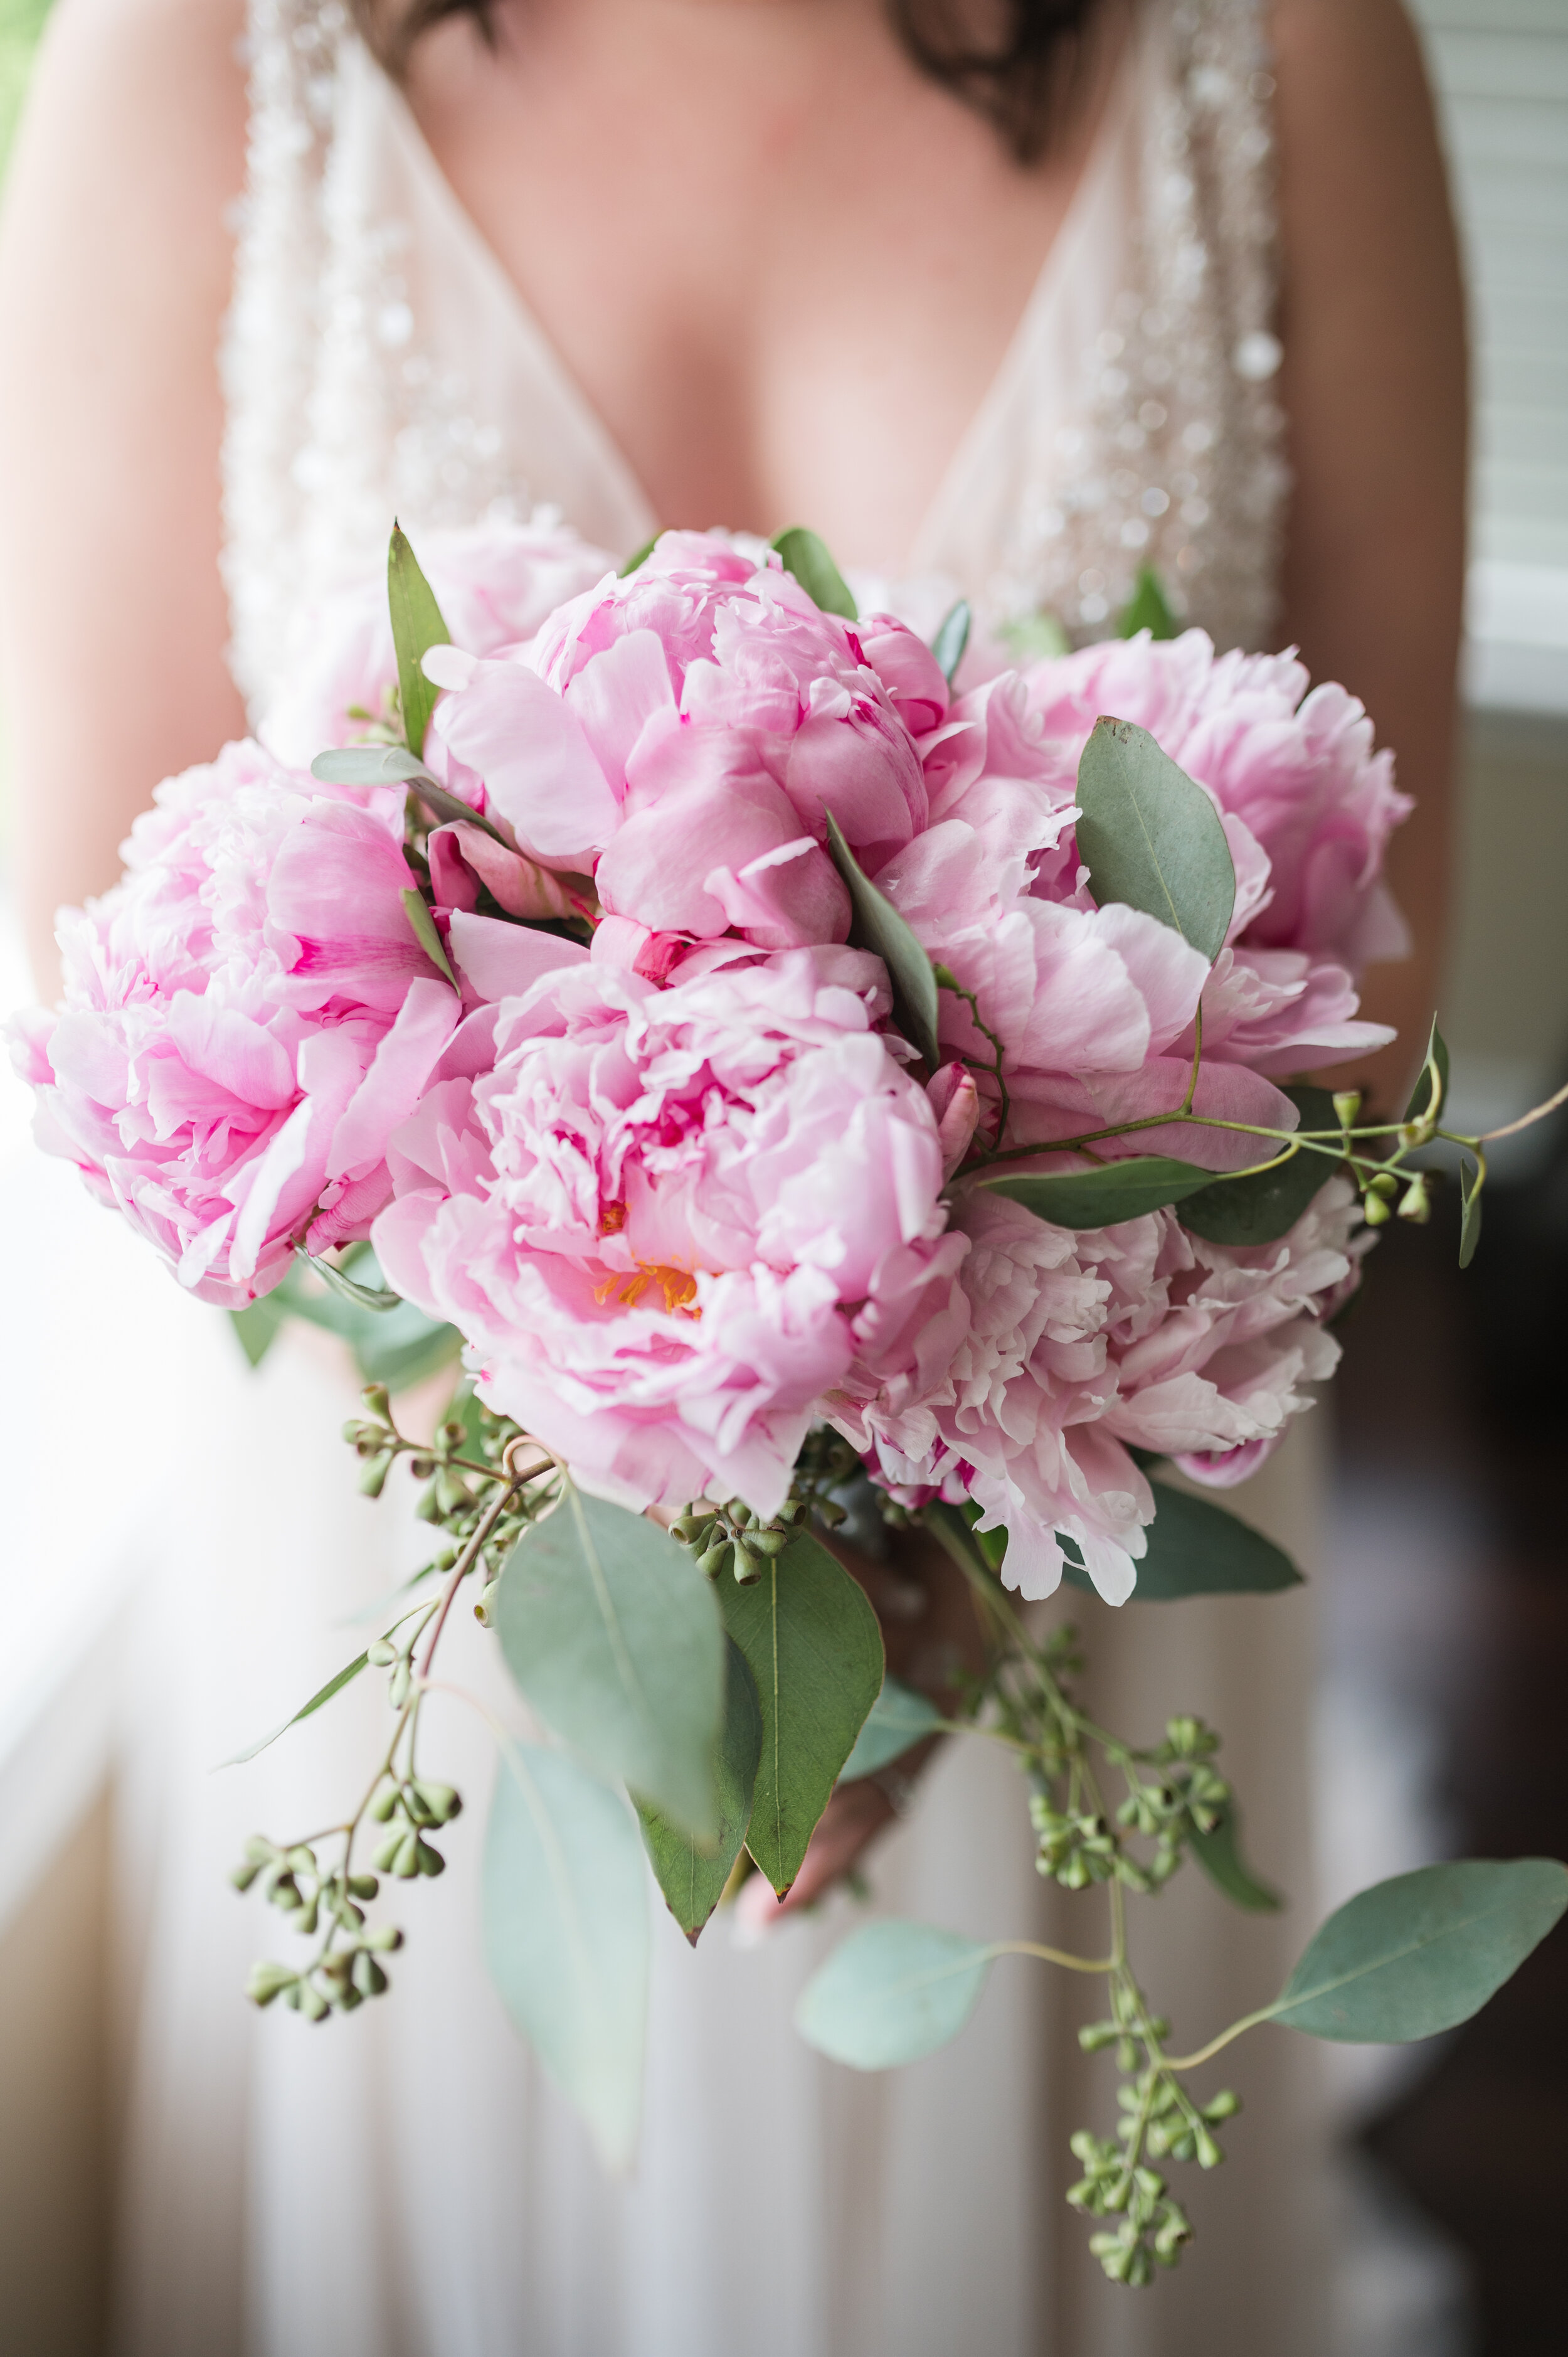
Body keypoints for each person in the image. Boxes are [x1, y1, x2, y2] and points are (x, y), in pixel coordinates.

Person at [0, 1, 1465, 2351]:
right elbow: (111, 1008)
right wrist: (617, 1532)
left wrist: (932, 1577)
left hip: (1064, 1600)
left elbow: (1368, 979)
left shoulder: (1278, 45)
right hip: (443, 1637)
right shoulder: (191, 53)